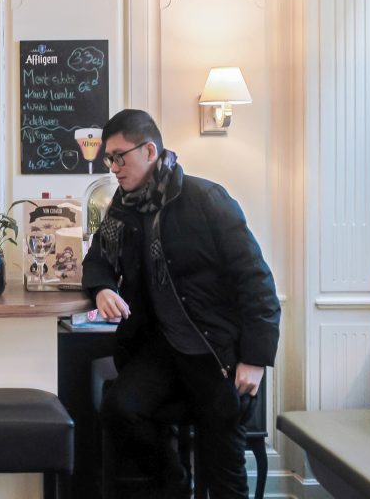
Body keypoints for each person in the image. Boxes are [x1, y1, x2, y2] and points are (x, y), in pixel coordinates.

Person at [82, 109, 280, 498]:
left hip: (214, 351)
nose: (113, 168)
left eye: (119, 156)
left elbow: (256, 281)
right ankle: (175, 484)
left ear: (150, 150)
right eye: (109, 158)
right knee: (120, 409)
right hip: (160, 350)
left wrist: (255, 359)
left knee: (224, 469)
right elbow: (96, 259)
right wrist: (103, 288)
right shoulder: (122, 208)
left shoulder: (206, 199)